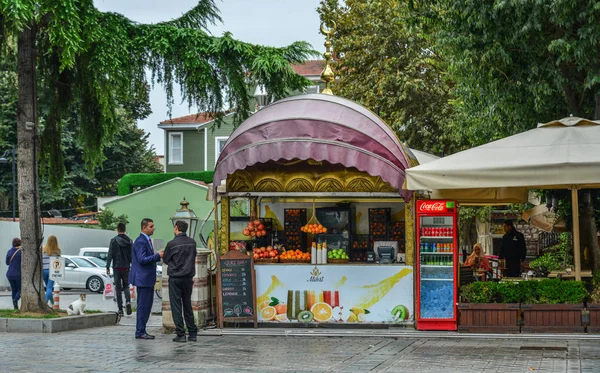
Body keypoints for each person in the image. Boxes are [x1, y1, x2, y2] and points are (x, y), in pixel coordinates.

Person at [161, 220, 198, 342]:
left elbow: (166, 259)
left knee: (176, 306)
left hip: (175, 278)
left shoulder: (172, 244)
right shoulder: (192, 243)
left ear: (176, 228)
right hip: (188, 277)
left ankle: (181, 334)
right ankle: (192, 333)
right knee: (187, 304)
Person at [129, 218, 163, 340]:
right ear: (144, 228)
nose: (153, 228)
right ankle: (140, 331)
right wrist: (157, 256)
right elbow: (142, 259)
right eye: (151, 226)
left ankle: (142, 329)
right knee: (143, 306)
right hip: (143, 279)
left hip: (147, 278)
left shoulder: (146, 240)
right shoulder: (140, 241)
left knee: (147, 305)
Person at [107, 222, 133, 317]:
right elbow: (131, 255)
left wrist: (107, 266)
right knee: (126, 286)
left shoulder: (113, 241)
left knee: (118, 288)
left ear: (117, 229)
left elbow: (110, 254)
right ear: (125, 229)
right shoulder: (130, 241)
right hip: (126, 267)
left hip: (117, 267)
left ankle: (120, 310)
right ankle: (128, 301)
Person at [42, 235, 61, 305]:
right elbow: (59, 261)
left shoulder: (43, 249)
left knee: (48, 287)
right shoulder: (57, 251)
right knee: (49, 288)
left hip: (44, 270)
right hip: (52, 271)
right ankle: (45, 303)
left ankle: (52, 303)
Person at [6, 238, 22, 309]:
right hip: (18, 274)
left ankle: (15, 306)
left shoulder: (9, 251)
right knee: (20, 289)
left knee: (14, 290)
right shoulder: (21, 252)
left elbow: (7, 263)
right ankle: (16, 299)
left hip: (9, 274)